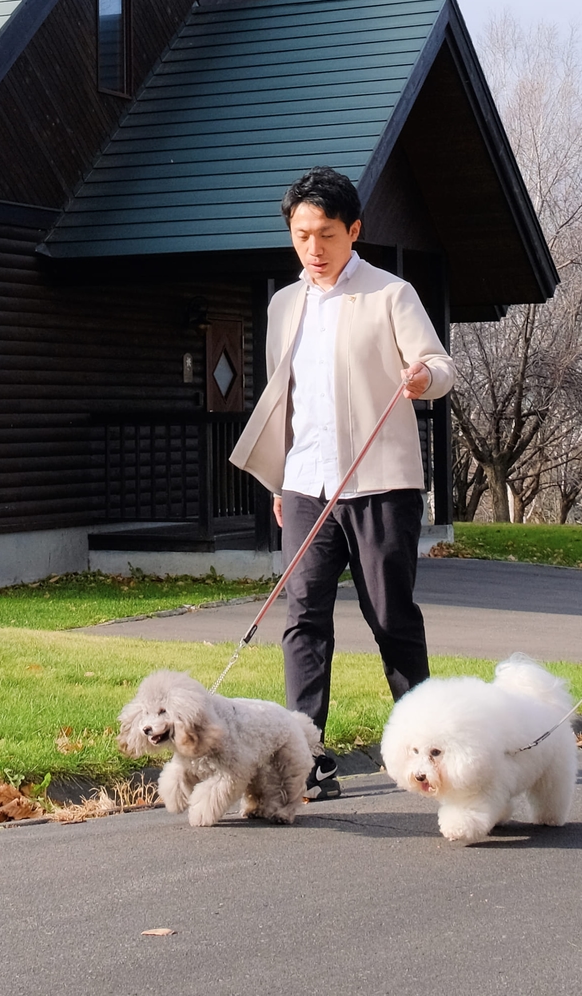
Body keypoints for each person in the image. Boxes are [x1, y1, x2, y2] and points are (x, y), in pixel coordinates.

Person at [230, 166, 456, 801]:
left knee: (390, 615)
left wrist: (421, 379)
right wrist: (278, 481)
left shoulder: (390, 294)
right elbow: (286, 400)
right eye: (301, 235)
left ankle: (429, 750)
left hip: (381, 486)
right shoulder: (282, 305)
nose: (314, 249)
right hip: (305, 486)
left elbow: (443, 366)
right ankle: (308, 760)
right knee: (303, 619)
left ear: (353, 231)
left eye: (327, 234)